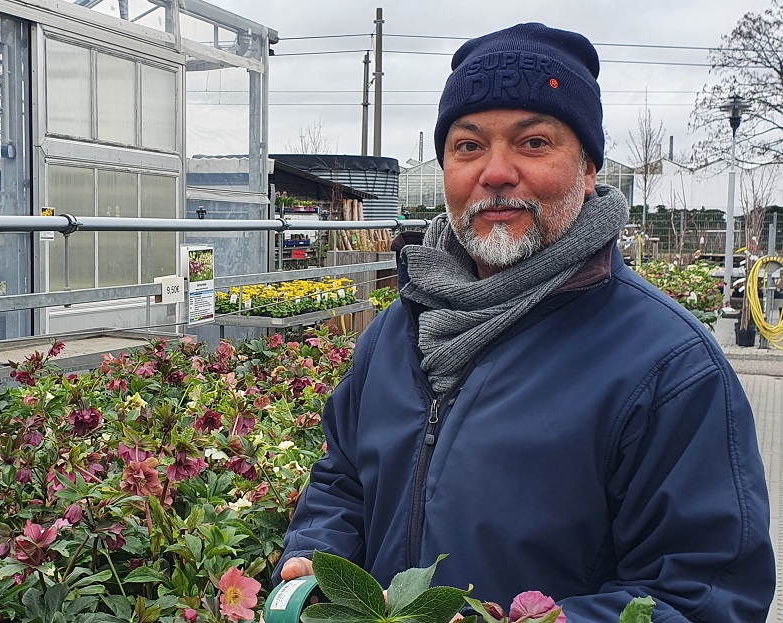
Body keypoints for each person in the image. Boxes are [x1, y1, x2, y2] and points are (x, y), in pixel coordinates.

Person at [274, 22, 775, 622]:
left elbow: (702, 598)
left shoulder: (669, 366)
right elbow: (344, 478)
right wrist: (317, 559)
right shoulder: (398, 329)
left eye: (533, 143)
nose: (496, 171)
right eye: (468, 146)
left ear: (589, 170)